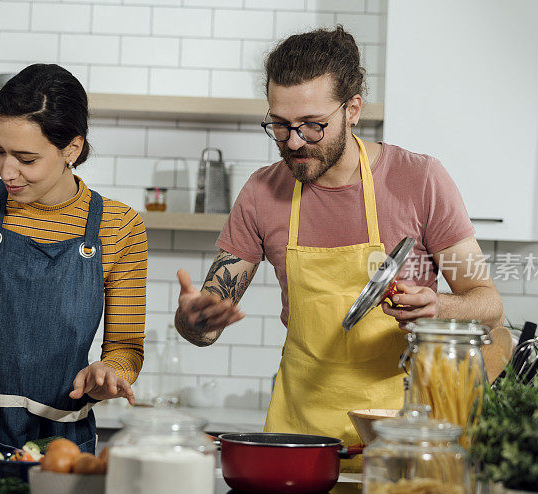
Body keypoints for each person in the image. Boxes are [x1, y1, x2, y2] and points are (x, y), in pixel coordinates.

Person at [173, 27, 503, 460]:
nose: (293, 142)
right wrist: (194, 321)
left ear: (352, 110)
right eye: (279, 125)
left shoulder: (420, 180)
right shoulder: (261, 192)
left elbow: (488, 304)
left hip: (400, 438)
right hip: (299, 440)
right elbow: (207, 328)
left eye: (312, 126)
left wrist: (438, 308)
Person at [0, 64, 147, 455]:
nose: (8, 171)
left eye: (26, 158)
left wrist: (109, 376)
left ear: (71, 149)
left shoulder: (119, 226)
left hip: (61, 445)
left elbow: (125, 348)